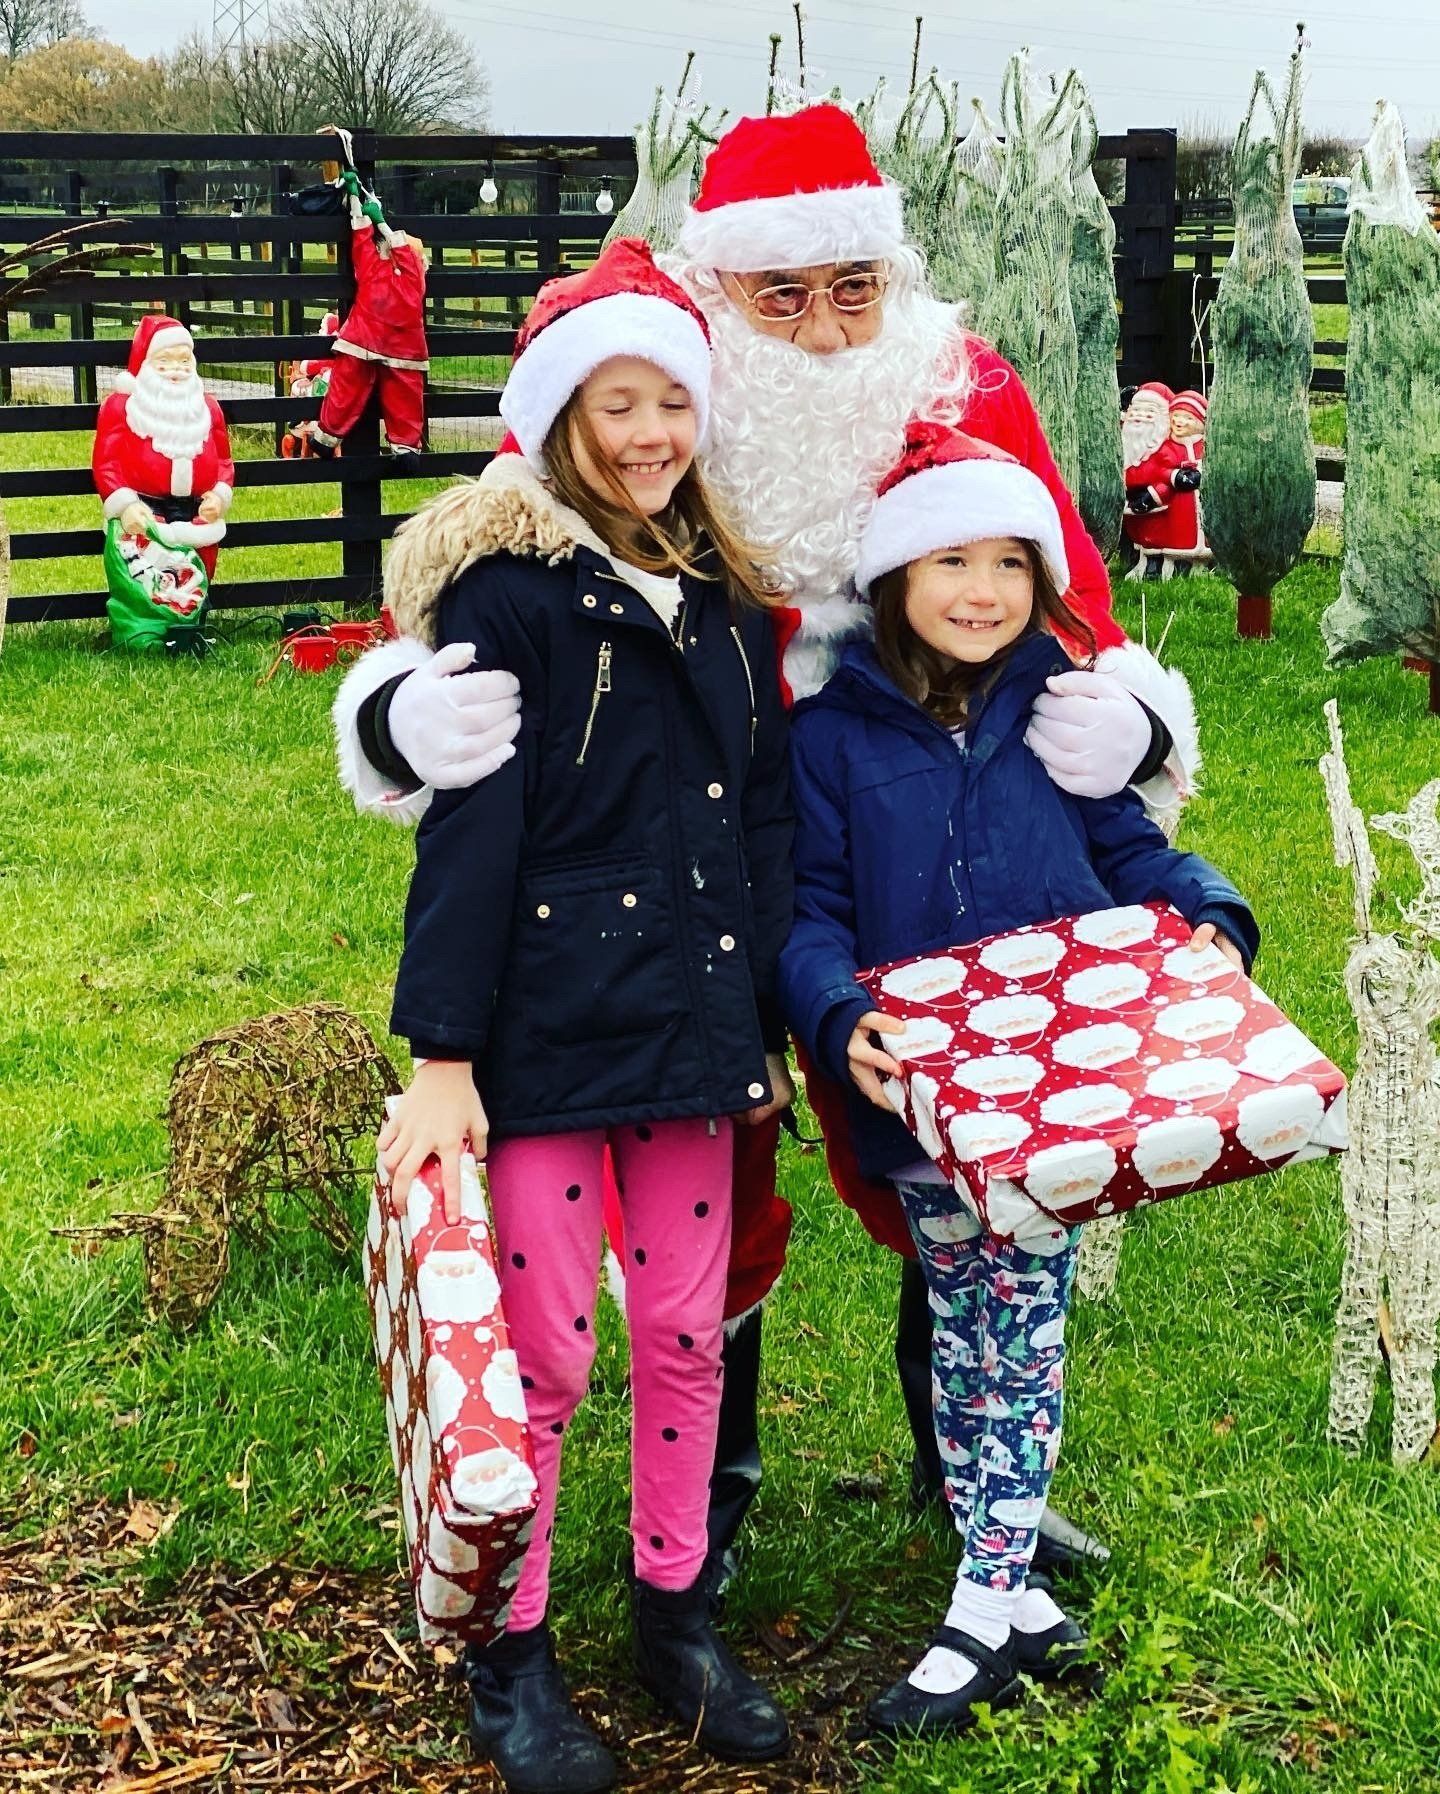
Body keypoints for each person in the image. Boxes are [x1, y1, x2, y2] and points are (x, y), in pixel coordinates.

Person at [337, 102, 1201, 1587]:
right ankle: (710, 1488)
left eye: (851, 287)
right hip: (688, 820)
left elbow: (1054, 573)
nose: (818, 328)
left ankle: (971, 1465)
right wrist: (408, 711)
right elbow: (498, 535)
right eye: (780, 293)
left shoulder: (959, 380)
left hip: (916, 802)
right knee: (711, 1132)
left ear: (893, 276)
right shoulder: (657, 381)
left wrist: (1119, 718)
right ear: (719, 288)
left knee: (963, 1128)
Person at [378, 238, 793, 1794]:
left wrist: (756, 1017)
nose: (647, 436)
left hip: (690, 1045)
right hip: (548, 1050)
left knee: (687, 1328)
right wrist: (444, 1054)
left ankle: (673, 1607)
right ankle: (513, 1645)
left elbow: (762, 822)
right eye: (615, 405)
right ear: (565, 419)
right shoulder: (513, 597)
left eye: (670, 404)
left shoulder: (728, 603)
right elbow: (466, 832)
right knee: (546, 1355)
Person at [778, 421, 1258, 1735]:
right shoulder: (831, 738)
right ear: (893, 576)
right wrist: (833, 1012)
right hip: (928, 1109)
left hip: (1052, 1115)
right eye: (950, 560)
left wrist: (1207, 910)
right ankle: (1016, 1600)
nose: (981, 589)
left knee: (1024, 1340)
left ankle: (985, 1603)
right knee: (962, 1335)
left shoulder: (1059, 715)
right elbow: (811, 912)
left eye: (1008, 560)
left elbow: (1129, 848)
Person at [92, 314, 235, 581]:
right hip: (146, 515)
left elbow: (224, 462)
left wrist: (219, 495)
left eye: (184, 361)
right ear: (146, 364)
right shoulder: (120, 408)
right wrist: (126, 506)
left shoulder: (208, 409)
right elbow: (107, 463)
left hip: (198, 516)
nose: (176, 369)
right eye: (164, 361)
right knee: (147, 589)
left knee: (196, 586)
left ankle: (194, 620)